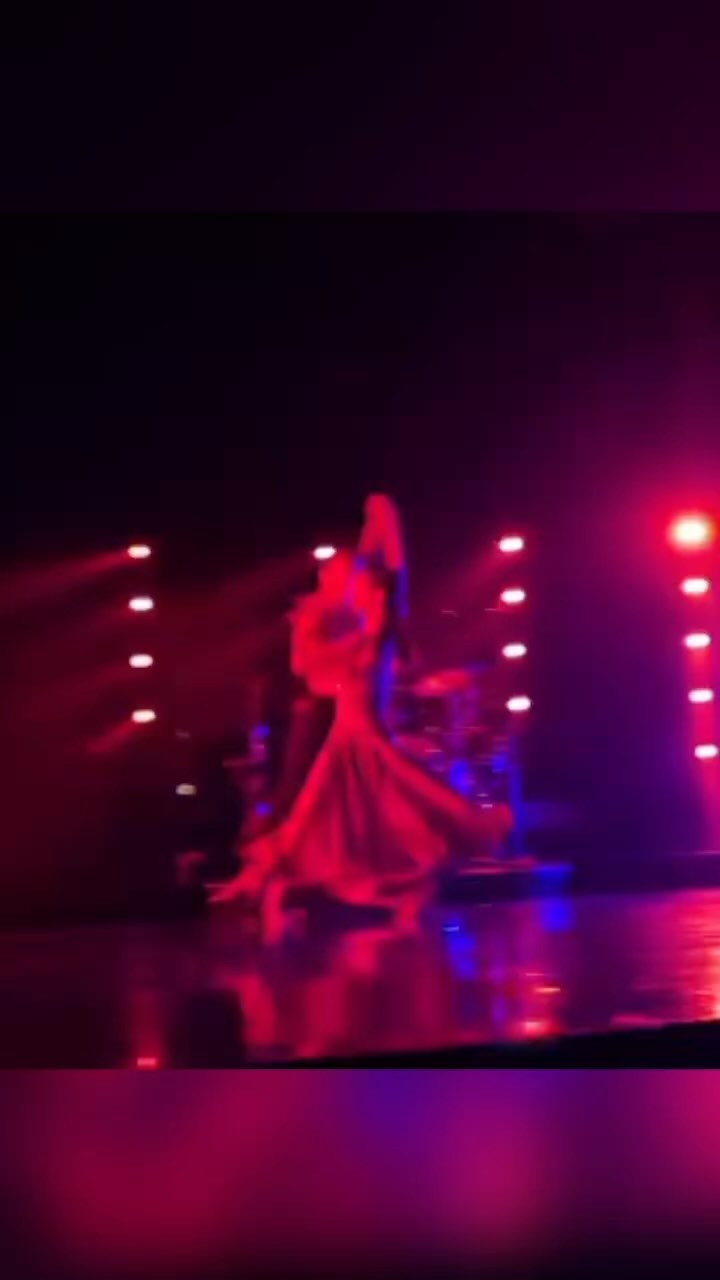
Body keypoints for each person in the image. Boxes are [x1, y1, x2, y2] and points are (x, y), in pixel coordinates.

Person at [212, 496, 511, 923]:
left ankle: (290, 883)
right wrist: (378, 522)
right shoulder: (349, 625)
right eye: (338, 574)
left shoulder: (380, 621)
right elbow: (315, 661)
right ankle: (280, 883)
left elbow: (391, 574)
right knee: (334, 813)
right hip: (353, 730)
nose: (343, 578)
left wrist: (382, 519)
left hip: (363, 730)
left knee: (360, 808)